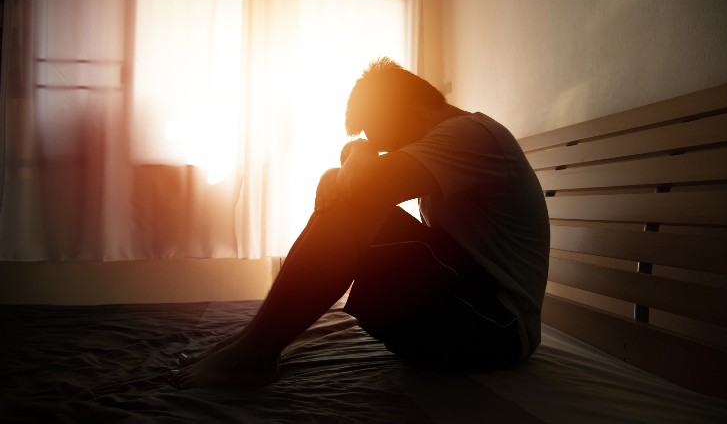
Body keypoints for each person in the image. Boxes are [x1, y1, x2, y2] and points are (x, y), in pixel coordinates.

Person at [168, 58, 550, 389]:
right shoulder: (454, 143)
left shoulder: (470, 135)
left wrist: (354, 153)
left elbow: (365, 186)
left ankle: (255, 352)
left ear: (417, 115)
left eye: (388, 145)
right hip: (471, 311)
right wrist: (343, 173)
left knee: (359, 200)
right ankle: (253, 341)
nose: (387, 154)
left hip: (497, 330)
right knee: (355, 197)